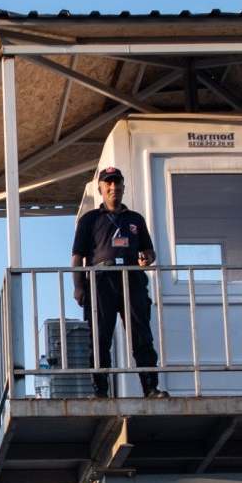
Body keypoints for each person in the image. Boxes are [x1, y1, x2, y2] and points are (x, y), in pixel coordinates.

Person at [71, 164, 162, 397]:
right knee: (100, 337)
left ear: (123, 186)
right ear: (101, 188)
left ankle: (150, 388)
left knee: (142, 334)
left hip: (131, 279)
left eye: (117, 182)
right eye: (109, 183)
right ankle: (100, 390)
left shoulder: (135, 219)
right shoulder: (89, 220)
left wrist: (146, 260)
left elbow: (149, 252)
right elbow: (77, 257)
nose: (114, 187)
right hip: (101, 281)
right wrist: (79, 287)